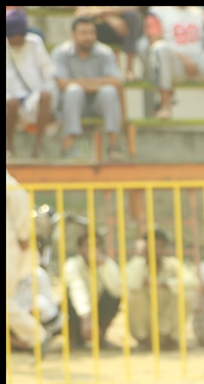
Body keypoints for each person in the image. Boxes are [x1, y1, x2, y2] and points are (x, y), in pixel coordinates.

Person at [53, 15, 125, 159]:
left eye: (92, 33)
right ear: (73, 34)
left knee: (109, 92)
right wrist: (95, 83)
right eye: (83, 33)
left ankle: (113, 146)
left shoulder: (105, 52)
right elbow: (61, 83)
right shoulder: (61, 53)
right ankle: (68, 147)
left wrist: (82, 83)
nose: (89, 37)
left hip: (98, 104)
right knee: (73, 92)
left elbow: (116, 81)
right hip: (72, 104)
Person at [6, 169, 62, 349]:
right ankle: (37, 336)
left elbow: (22, 201)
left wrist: (23, 235)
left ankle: (37, 336)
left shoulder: (9, 183)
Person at [124, 225, 198, 350]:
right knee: (132, 294)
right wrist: (139, 256)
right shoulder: (135, 265)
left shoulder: (173, 264)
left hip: (167, 327)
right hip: (147, 329)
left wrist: (164, 285)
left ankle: (171, 340)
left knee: (188, 294)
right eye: (152, 246)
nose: (157, 250)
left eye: (161, 246)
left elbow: (193, 281)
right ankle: (144, 341)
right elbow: (132, 285)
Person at [6, 8, 57, 157]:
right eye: (13, 39)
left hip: (33, 97)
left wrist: (50, 96)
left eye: (19, 38)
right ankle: (9, 147)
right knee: (11, 103)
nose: (17, 42)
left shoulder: (35, 42)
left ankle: (37, 147)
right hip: (9, 98)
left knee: (46, 96)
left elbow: (48, 72)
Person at [64, 229, 122, 348]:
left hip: (97, 310)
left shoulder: (107, 263)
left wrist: (104, 264)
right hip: (79, 313)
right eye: (88, 246)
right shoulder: (72, 265)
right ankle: (73, 339)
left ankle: (101, 338)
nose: (93, 249)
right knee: (69, 296)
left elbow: (118, 290)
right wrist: (86, 318)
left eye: (97, 245)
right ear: (80, 249)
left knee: (113, 297)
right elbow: (77, 290)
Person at [76, 5, 144, 80]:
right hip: (99, 25)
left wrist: (107, 11)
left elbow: (134, 7)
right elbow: (81, 12)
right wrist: (108, 18)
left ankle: (129, 69)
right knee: (86, 21)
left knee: (133, 16)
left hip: (122, 25)